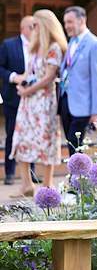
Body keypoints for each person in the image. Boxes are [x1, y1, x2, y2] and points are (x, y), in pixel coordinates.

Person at [9, 10, 66, 195]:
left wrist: (28, 90)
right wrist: (21, 84)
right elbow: (28, 73)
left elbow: (48, 77)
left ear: (44, 25)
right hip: (28, 102)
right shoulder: (34, 47)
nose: (32, 29)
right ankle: (26, 185)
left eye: (35, 25)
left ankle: (47, 186)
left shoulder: (54, 48)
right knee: (21, 139)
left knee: (45, 140)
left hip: (44, 102)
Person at [59, 6, 97, 156]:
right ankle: (76, 178)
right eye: (65, 23)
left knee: (76, 144)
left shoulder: (95, 44)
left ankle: (78, 178)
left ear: (82, 20)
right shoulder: (72, 42)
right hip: (66, 101)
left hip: (83, 105)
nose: (67, 26)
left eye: (70, 22)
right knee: (71, 143)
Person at [0, 16, 38, 185]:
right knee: (12, 135)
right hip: (13, 98)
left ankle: (32, 173)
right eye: (33, 26)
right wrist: (14, 77)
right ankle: (9, 172)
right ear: (24, 28)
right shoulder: (8, 45)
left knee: (33, 135)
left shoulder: (39, 46)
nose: (36, 30)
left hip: (34, 98)